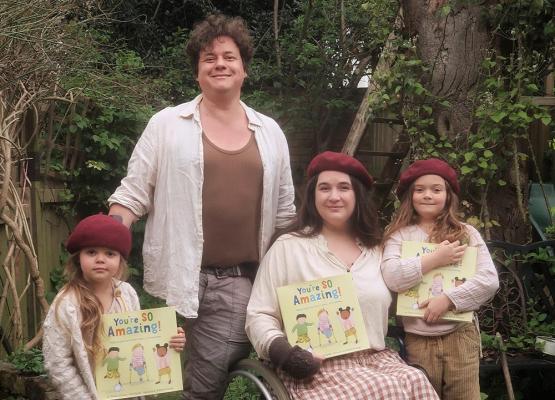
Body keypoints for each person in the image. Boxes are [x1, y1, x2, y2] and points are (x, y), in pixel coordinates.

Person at [107, 13, 295, 399]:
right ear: (197, 72)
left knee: (206, 380)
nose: (220, 64)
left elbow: (285, 213)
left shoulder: (271, 131)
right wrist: (104, 248)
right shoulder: (166, 124)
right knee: (144, 369)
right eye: (209, 58)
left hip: (237, 280)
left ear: (244, 69)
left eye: (229, 56)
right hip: (176, 273)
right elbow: (132, 195)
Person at [246, 151, 440, 400]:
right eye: (324, 188)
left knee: (416, 381)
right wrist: (286, 354)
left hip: (376, 360)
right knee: (381, 389)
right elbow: (259, 315)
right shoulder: (289, 247)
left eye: (344, 188)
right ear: (313, 195)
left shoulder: (376, 251)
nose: (334, 196)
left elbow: (401, 294)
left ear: (357, 195)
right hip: (315, 367)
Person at [381, 158, 499, 400]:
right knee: (424, 395)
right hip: (418, 338)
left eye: (436, 189)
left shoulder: (466, 234)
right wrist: (435, 259)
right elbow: (392, 277)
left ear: (448, 195)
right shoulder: (399, 236)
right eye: (420, 189)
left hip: (460, 335)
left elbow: (488, 280)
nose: (428, 195)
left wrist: (449, 299)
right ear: (409, 196)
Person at [42, 214, 185, 400]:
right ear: (78, 258)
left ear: (120, 261)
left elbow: (141, 339)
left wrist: (170, 339)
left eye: (110, 253)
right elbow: (57, 363)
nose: (100, 259)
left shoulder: (126, 294)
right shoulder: (66, 304)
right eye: (91, 252)